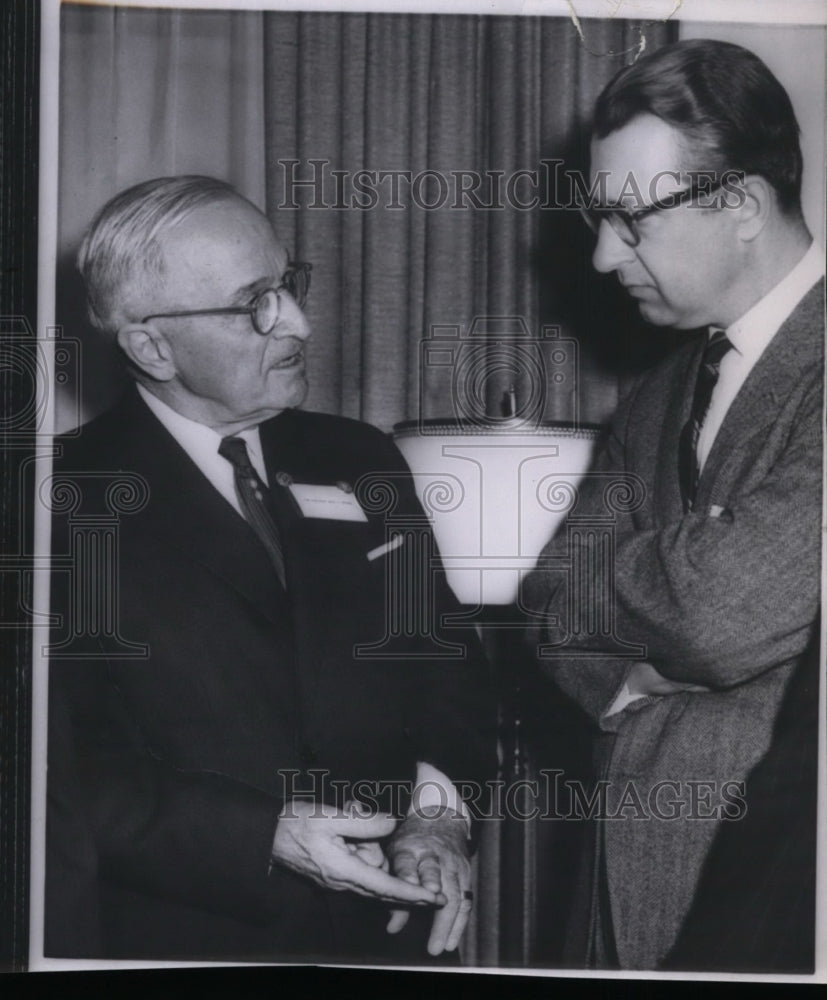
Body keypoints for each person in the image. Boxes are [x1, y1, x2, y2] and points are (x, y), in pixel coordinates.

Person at [45, 175, 495, 963]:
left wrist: (435, 817)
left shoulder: (359, 456)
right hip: (193, 939)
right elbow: (59, 772)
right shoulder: (58, 502)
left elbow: (445, 660)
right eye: (255, 302)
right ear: (151, 347)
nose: (299, 322)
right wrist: (267, 836)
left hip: (391, 933)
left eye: (288, 285)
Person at [522, 39, 823, 971]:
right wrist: (636, 676)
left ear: (737, 203)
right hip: (619, 896)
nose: (604, 255)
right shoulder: (654, 394)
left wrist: (633, 598)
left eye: (628, 220)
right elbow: (542, 605)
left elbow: (721, 612)